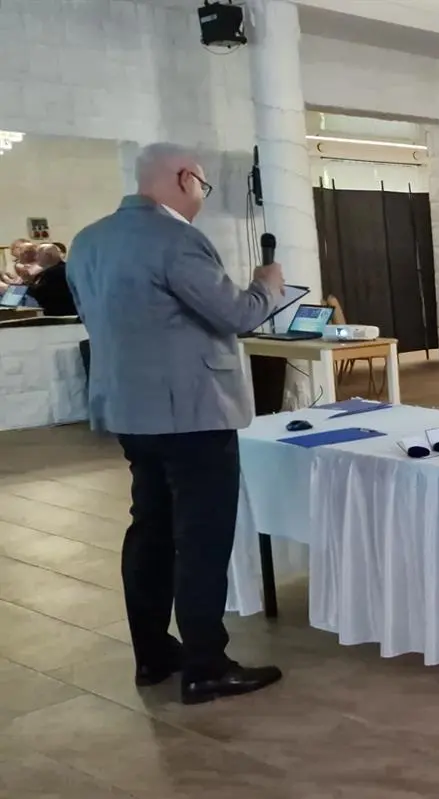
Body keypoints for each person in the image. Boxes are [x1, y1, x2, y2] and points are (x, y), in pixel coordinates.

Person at [67, 142, 283, 704]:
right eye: (202, 186)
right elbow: (236, 314)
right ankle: (206, 664)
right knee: (202, 537)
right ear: (185, 177)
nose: (200, 198)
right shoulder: (176, 239)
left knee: (151, 528)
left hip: (129, 410)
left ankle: (154, 654)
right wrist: (267, 285)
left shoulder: (88, 240)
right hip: (192, 412)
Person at [26, 242, 75, 317]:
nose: (35, 258)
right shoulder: (65, 268)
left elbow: (41, 294)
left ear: (48, 255)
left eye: (38, 254)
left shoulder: (54, 272)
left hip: (60, 315)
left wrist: (28, 282)